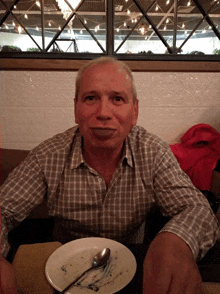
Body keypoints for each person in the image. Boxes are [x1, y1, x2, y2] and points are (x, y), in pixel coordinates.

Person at [1, 56, 220, 294]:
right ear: (76, 109)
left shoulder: (153, 152)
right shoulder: (47, 156)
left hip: (136, 262)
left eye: (117, 99)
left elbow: (197, 209)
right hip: (64, 267)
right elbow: (3, 209)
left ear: (134, 111)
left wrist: (177, 241)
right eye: (91, 98)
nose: (104, 112)